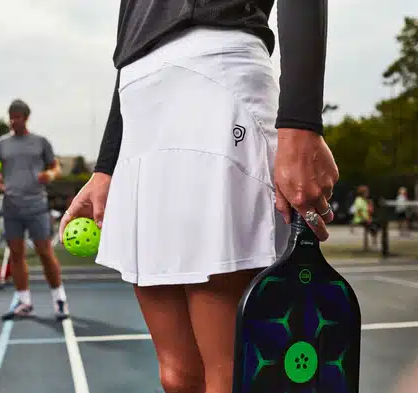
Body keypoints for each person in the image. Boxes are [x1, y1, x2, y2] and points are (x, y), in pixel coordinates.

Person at [60, 1, 338, 392]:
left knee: (232, 373)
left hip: (216, 74)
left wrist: (301, 122)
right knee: (179, 376)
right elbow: (131, 34)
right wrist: (107, 165)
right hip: (139, 96)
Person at [0, 99, 69, 321]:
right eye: (10, 116)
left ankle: (59, 300)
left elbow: (55, 168)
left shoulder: (40, 142)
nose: (13, 121)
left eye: (17, 116)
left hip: (36, 207)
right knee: (16, 255)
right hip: (10, 207)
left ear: (26, 117)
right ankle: (23, 302)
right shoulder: (0, 145)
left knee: (45, 253)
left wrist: (49, 175)